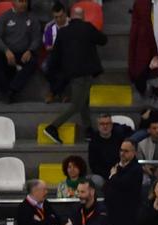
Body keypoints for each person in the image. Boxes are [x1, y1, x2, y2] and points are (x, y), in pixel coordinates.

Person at [44, 4, 105, 143]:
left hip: (71, 72)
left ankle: (88, 129)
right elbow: (103, 40)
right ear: (83, 16)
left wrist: (52, 72)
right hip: (85, 72)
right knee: (77, 104)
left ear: (70, 16)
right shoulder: (87, 27)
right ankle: (53, 127)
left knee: (84, 101)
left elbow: (55, 55)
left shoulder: (63, 32)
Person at [0, 0, 40, 103]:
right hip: (7, 52)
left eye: (25, 2)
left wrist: (30, 50)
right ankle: (6, 90)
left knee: (33, 62)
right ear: (13, 2)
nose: (23, 4)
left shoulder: (33, 18)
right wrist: (6, 51)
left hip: (24, 52)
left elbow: (36, 38)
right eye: (20, 1)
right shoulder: (4, 17)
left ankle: (13, 89)